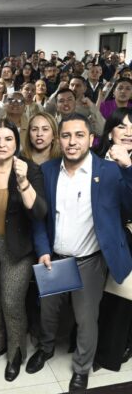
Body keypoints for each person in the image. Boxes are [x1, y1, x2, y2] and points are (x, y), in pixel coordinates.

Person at [26, 113, 132, 392]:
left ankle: (81, 368)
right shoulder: (47, 171)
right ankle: (46, 349)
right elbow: (39, 217)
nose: (72, 142)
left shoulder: (109, 171)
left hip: (90, 261)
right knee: (48, 312)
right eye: (66, 135)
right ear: (59, 140)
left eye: (79, 135)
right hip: (55, 259)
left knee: (86, 319)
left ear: (91, 139)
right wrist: (43, 250)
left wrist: (128, 167)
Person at [0, 119, 46, 381]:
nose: (2, 144)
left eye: (8, 139)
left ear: (16, 143)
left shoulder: (30, 169)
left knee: (11, 303)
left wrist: (23, 181)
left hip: (16, 249)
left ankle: (16, 353)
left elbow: (39, 212)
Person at [94, 107, 132, 372]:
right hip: (94, 238)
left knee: (121, 298)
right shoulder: (94, 160)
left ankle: (115, 349)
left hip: (127, 238)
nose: (129, 132)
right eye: (122, 126)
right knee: (93, 297)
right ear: (110, 133)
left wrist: (128, 166)